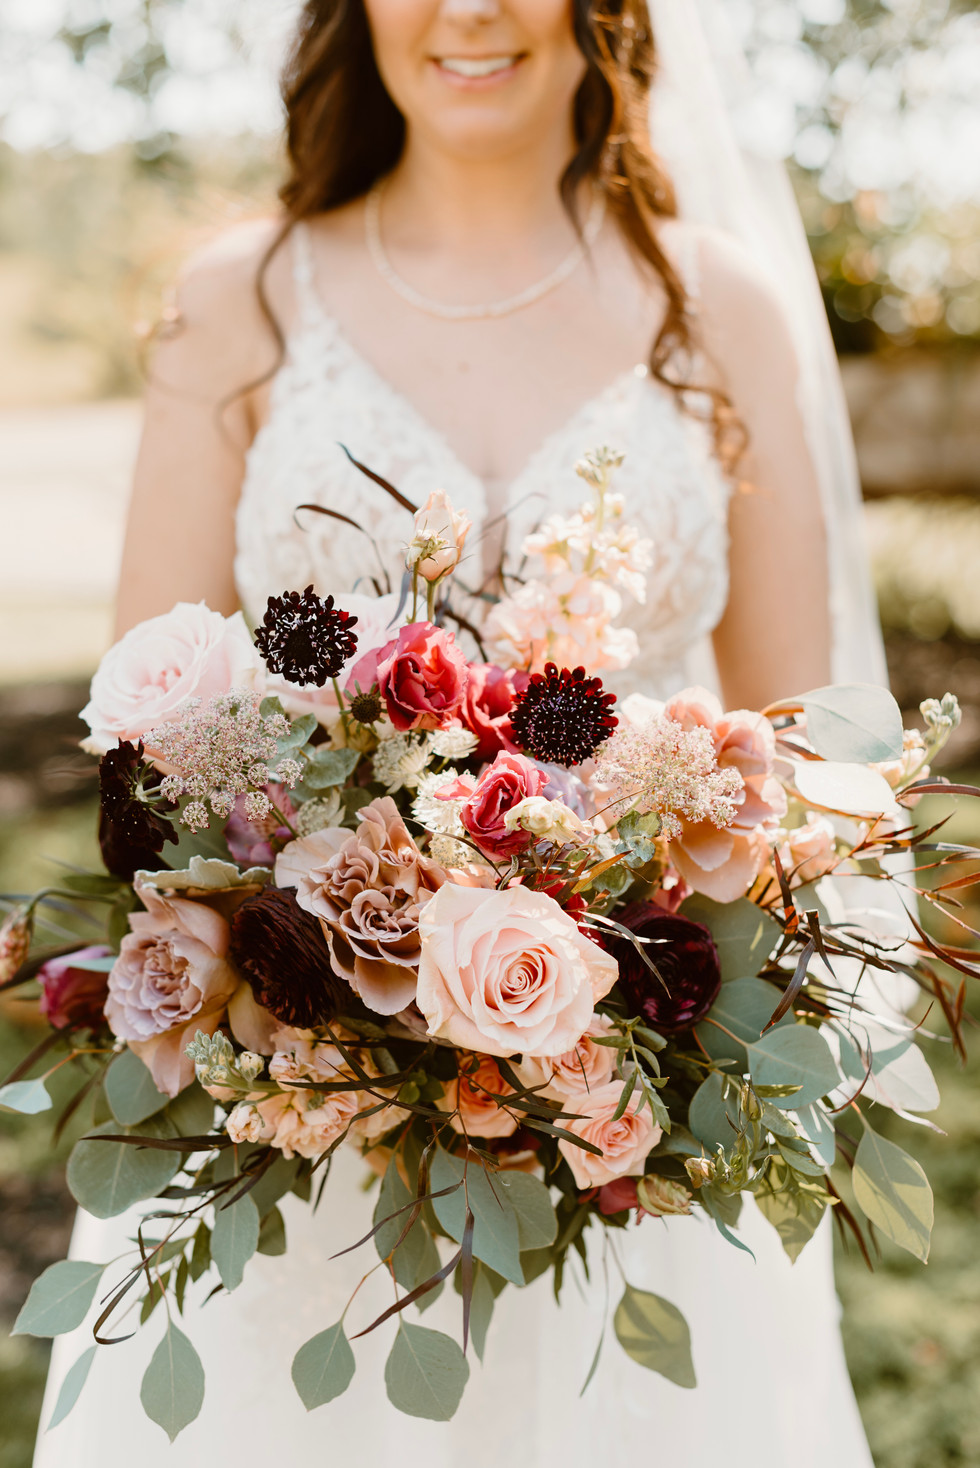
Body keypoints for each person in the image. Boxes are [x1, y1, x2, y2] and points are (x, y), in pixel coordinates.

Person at [35, 2, 876, 1463]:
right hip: (301, 1101)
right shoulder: (242, 300)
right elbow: (153, 739)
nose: (469, 10)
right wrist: (320, 1002)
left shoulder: (718, 309)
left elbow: (796, 756)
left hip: (634, 1113)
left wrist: (611, 989)